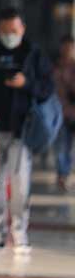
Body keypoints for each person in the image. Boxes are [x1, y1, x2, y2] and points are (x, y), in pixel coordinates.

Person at [0, 8, 54, 252]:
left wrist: (27, 84)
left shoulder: (33, 54)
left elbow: (47, 89)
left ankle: (20, 233)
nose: (8, 36)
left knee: (21, 184)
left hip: (22, 129)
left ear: (22, 28)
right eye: (4, 31)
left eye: (13, 31)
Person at [54, 36, 75, 192]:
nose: (68, 50)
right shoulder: (56, 66)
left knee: (71, 147)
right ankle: (62, 174)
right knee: (62, 145)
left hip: (73, 113)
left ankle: (67, 173)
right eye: (65, 47)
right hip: (60, 112)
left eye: (70, 47)